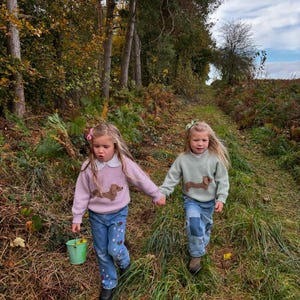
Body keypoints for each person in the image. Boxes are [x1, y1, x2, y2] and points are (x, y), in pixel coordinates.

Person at [71, 122, 165, 300]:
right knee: (102, 251)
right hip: (96, 216)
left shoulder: (123, 163)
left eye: (105, 146)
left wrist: (155, 193)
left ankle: (125, 263)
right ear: (92, 145)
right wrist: (77, 217)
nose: (101, 151)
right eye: (97, 146)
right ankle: (109, 283)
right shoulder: (87, 168)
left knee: (114, 248)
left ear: (114, 145)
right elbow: (81, 192)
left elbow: (140, 179)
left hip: (118, 213)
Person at [159, 120, 230, 274]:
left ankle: (201, 240)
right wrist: (163, 192)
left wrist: (221, 198)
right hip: (191, 200)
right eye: (196, 140)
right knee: (194, 224)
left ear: (209, 140)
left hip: (209, 202)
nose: (200, 143)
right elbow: (172, 177)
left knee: (203, 227)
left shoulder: (214, 159)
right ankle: (196, 257)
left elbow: (223, 180)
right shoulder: (182, 159)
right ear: (188, 140)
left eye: (204, 140)